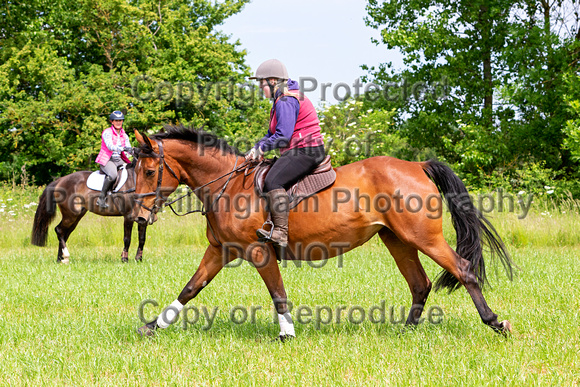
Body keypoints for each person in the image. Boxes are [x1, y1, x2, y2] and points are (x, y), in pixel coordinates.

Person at [246, 59, 326, 247]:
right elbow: (271, 134)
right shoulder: (279, 100)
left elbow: (283, 136)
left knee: (273, 181)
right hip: (297, 149)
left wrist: (262, 148)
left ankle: (281, 233)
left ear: (272, 81)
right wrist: (256, 148)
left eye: (261, 83)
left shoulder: (286, 99)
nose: (260, 88)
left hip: (306, 150)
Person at [95, 111, 132, 209]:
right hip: (107, 159)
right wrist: (123, 148)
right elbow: (110, 146)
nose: (118, 122)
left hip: (119, 159)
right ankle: (101, 198)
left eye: (120, 120)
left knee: (132, 171)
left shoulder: (124, 134)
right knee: (113, 175)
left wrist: (133, 152)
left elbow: (128, 147)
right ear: (112, 121)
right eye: (116, 120)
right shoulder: (107, 132)